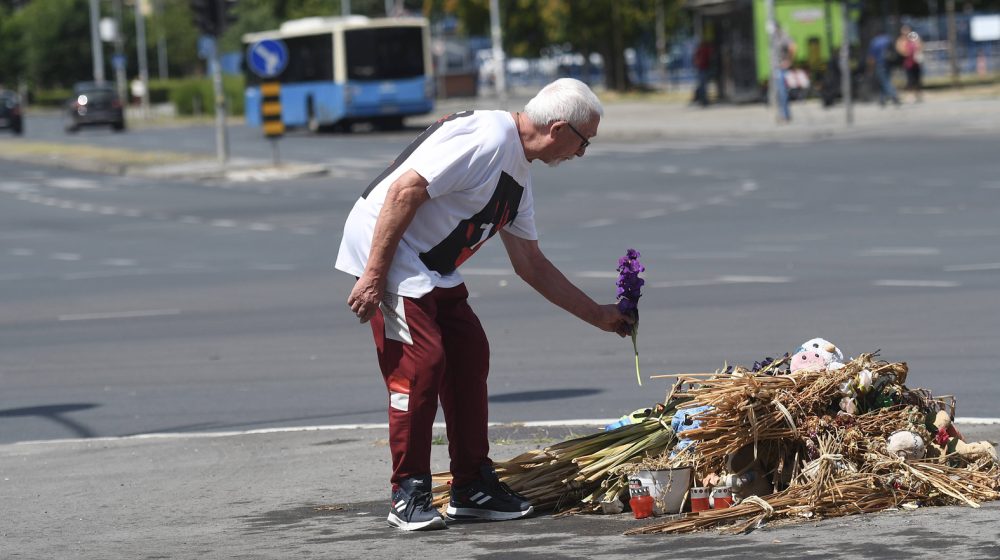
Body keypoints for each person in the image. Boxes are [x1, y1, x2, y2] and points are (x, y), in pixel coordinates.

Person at [335, 78, 634, 531]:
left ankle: (472, 486)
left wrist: (600, 316)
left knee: (469, 353)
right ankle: (408, 492)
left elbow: (531, 264)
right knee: (421, 363)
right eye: (583, 141)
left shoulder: (518, 173)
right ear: (558, 129)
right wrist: (374, 274)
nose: (581, 153)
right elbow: (403, 191)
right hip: (388, 249)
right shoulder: (488, 138)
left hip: (429, 262)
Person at [867, 32, 901, 107]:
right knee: (884, 80)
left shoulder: (875, 41)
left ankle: (894, 96)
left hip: (880, 63)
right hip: (889, 63)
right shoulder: (889, 38)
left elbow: (871, 57)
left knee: (885, 81)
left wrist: (870, 68)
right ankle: (882, 100)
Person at [773, 23, 796, 122]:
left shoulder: (783, 37)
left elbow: (793, 47)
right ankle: (782, 114)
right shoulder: (774, 38)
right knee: (779, 93)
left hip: (782, 69)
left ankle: (785, 115)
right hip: (776, 68)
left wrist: (789, 61)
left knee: (783, 92)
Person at [896, 25, 923, 102]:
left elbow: (920, 45)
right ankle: (911, 94)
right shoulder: (901, 40)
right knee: (910, 79)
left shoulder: (914, 37)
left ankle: (918, 94)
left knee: (917, 79)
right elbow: (900, 49)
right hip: (908, 62)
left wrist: (917, 49)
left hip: (916, 61)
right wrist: (907, 52)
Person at [692, 39, 714, 107]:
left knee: (702, 84)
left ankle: (701, 99)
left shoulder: (701, 49)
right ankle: (703, 100)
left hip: (703, 68)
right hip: (703, 68)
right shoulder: (704, 49)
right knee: (703, 85)